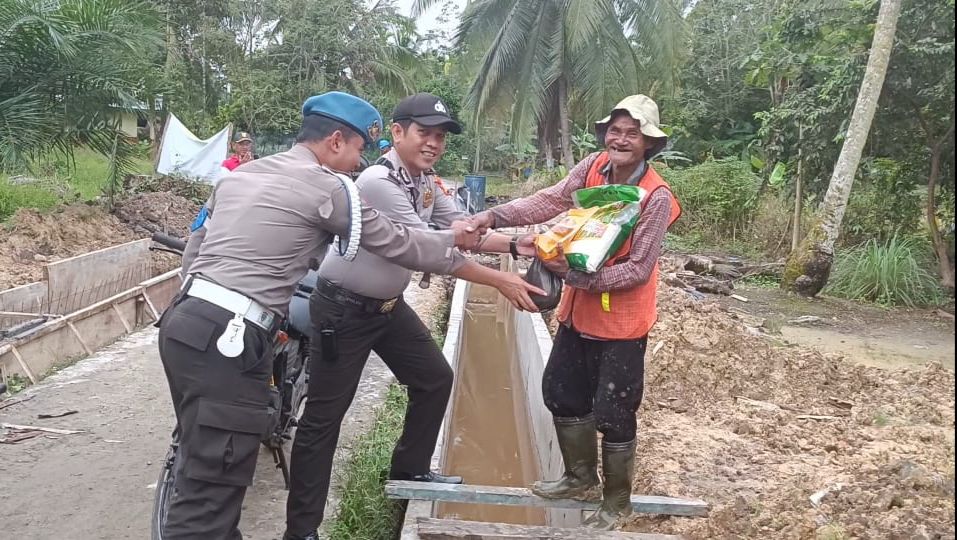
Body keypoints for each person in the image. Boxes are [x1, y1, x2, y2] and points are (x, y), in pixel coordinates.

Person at [159, 90, 540, 540]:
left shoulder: (242, 176)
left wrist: (511, 242)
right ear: (337, 141)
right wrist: (482, 260)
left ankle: (405, 473)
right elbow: (404, 244)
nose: (360, 160)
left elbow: (196, 246)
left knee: (203, 465)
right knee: (212, 492)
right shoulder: (337, 188)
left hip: (186, 321)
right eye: (360, 147)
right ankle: (301, 531)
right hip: (248, 331)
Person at [283, 93, 536, 540]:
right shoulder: (380, 182)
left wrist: (521, 246)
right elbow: (431, 250)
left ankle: (411, 469)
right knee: (326, 418)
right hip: (344, 308)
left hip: (385, 307)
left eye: (440, 136)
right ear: (397, 133)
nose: (433, 143)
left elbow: (463, 230)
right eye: (424, 133)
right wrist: (501, 280)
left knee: (434, 378)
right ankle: (301, 531)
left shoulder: (423, 181)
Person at [469, 95, 682, 530]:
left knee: (614, 410)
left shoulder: (655, 196)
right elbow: (549, 201)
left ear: (648, 143)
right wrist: (495, 215)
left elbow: (639, 269)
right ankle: (580, 477)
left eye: (632, 133)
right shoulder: (593, 168)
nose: (620, 139)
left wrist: (576, 277)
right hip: (580, 311)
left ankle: (617, 501)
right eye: (615, 131)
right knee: (560, 391)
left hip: (622, 322)